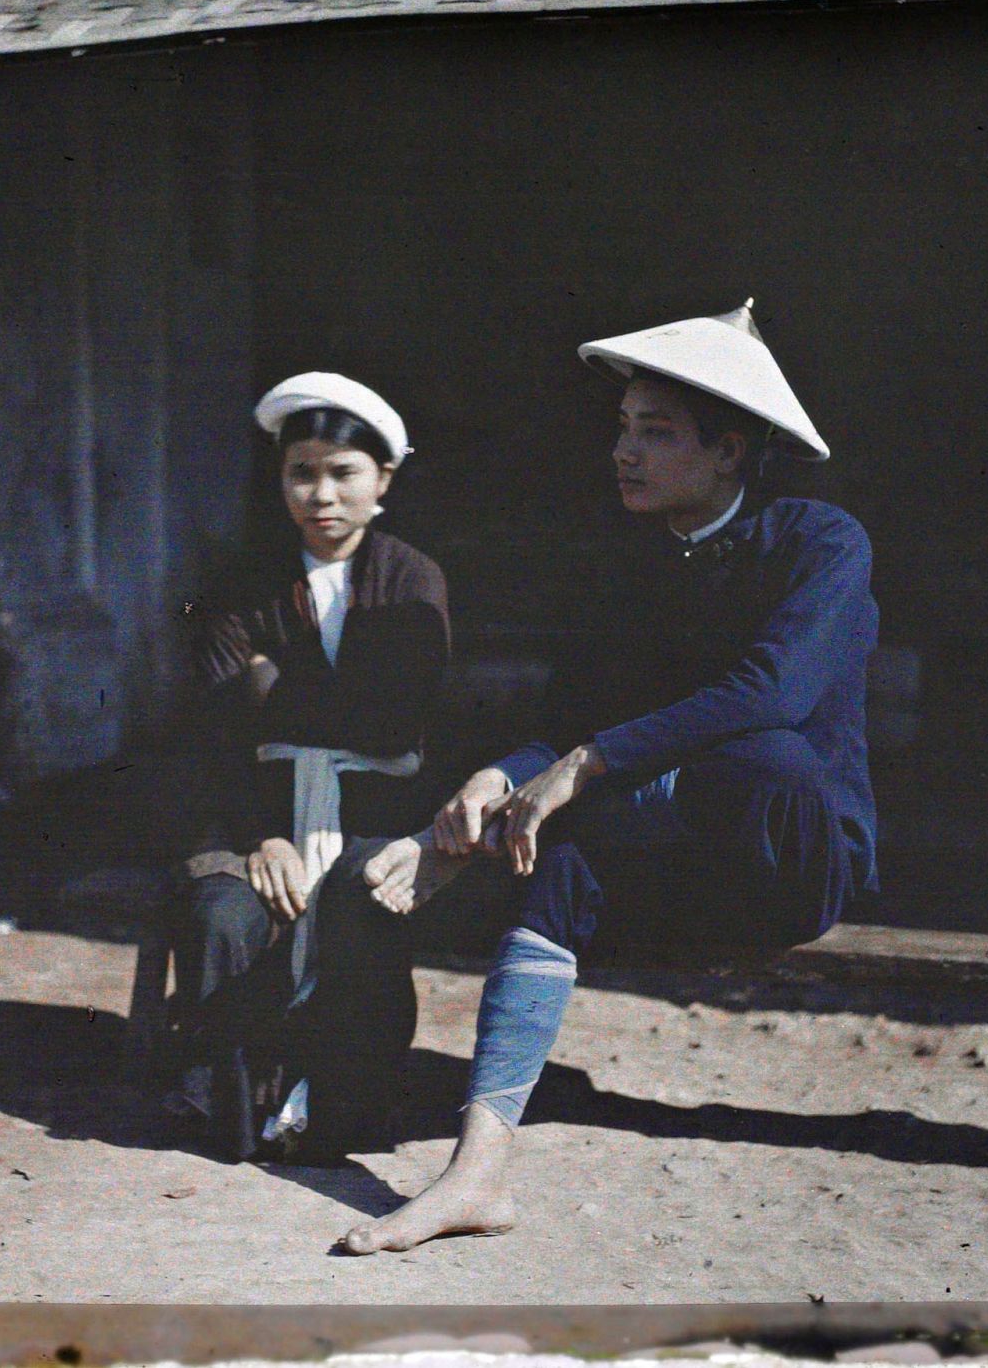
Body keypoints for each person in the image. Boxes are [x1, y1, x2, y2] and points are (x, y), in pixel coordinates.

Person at [344, 301, 877, 1252]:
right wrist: (493, 781)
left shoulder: (820, 543)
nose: (624, 452)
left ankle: (503, 839)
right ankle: (476, 1174)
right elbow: (562, 722)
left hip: (784, 867)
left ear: (731, 453)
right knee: (554, 862)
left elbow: (772, 692)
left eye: (658, 433)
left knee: (766, 753)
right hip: (664, 874)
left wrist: (582, 769)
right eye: (624, 428)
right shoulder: (626, 565)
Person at [170, 372, 451, 1162]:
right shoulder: (241, 582)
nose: (320, 494)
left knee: (365, 904)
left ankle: (340, 1113)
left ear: (383, 480)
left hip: (376, 809)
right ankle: (229, 1110)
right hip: (256, 812)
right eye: (302, 472)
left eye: (343, 473)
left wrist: (273, 683)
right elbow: (221, 729)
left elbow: (394, 717)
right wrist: (263, 837)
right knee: (225, 916)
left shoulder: (411, 580)